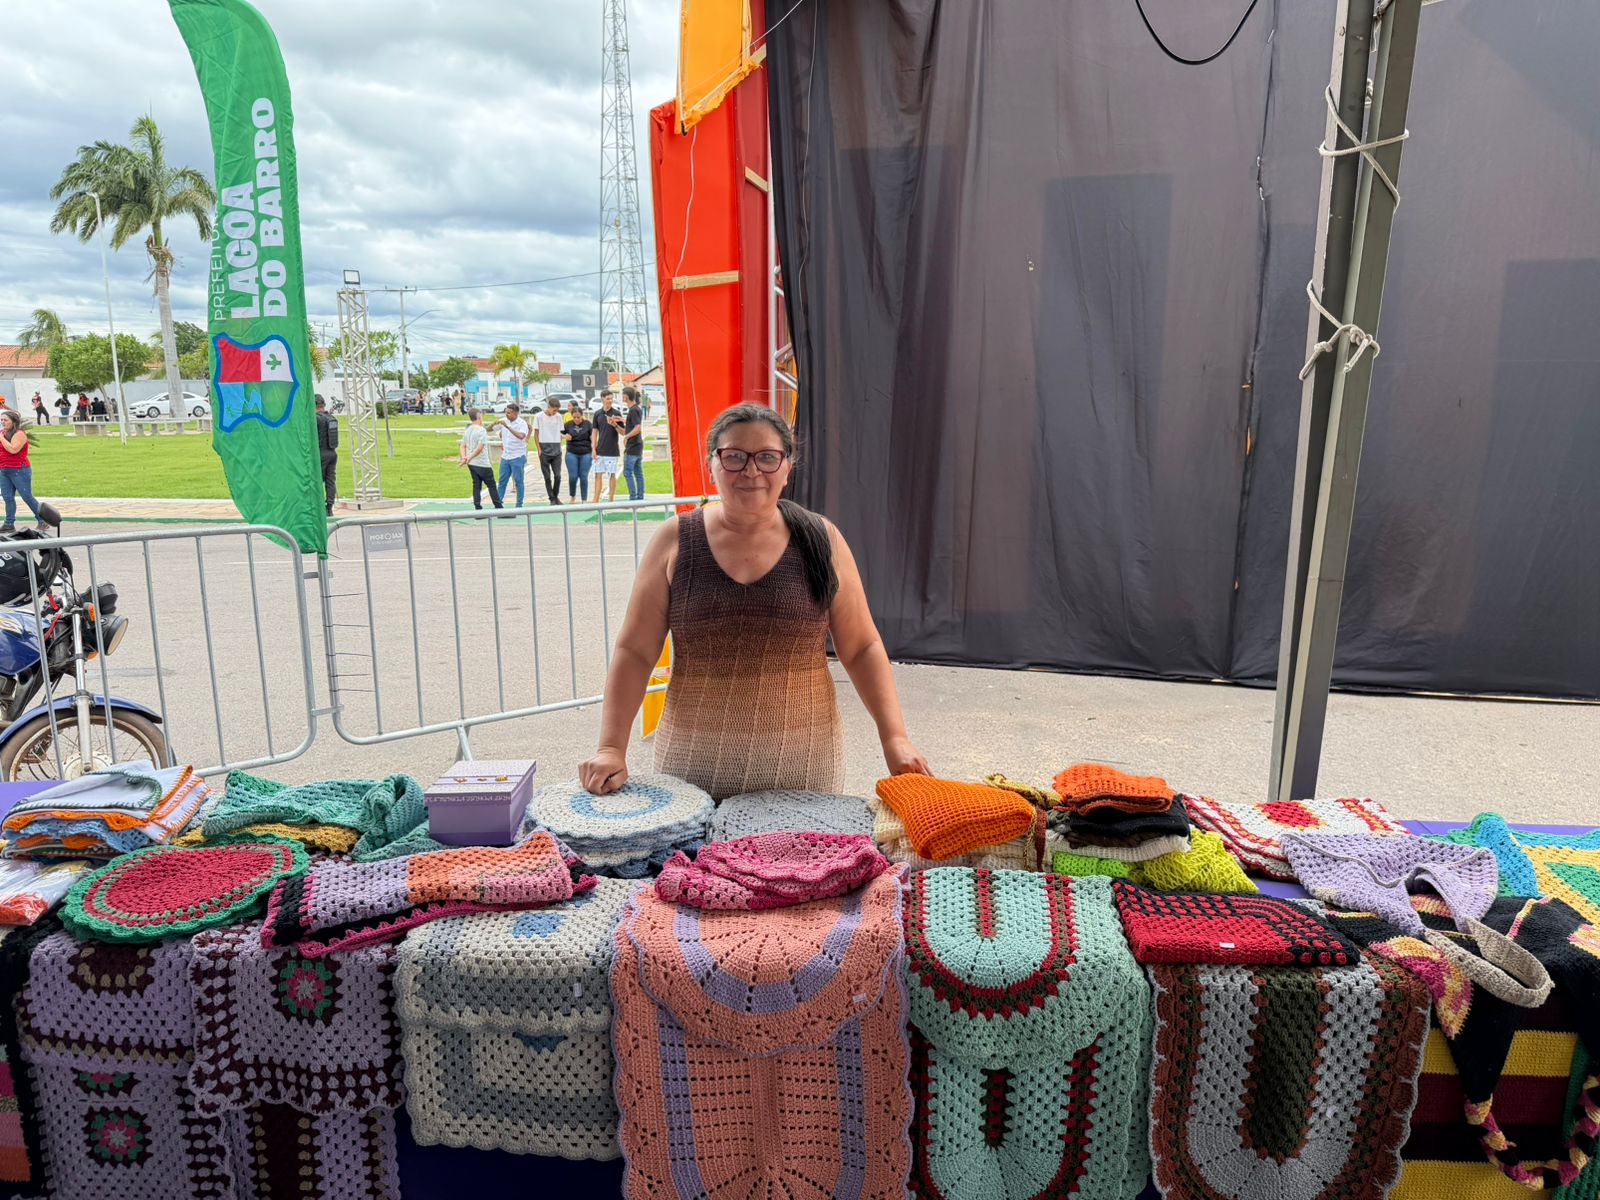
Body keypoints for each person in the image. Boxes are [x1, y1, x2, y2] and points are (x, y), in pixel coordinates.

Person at [579, 403, 929, 799]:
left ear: (787, 466)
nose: (750, 471)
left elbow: (862, 646)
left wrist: (895, 737)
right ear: (711, 462)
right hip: (689, 771)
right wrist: (611, 748)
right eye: (734, 457)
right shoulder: (674, 540)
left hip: (805, 770)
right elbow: (636, 650)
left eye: (766, 457)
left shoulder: (822, 539)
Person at [0, 411, 47, 533]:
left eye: (5, 420)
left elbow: (13, 449)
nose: (2, 422)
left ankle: (42, 521)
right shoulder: (3, 433)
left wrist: (1, 437)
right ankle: (9, 523)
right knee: (7, 497)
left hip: (19, 470)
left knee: (27, 496)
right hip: (4, 470)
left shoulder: (19, 434)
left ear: (14, 421)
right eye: (1, 420)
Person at [458, 408, 502, 510]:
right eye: (481, 416)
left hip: (472, 463)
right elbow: (480, 447)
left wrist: (465, 457)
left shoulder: (468, 430)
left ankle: (478, 508)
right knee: (491, 485)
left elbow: (462, 446)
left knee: (476, 485)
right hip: (482, 463)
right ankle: (498, 507)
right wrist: (468, 457)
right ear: (478, 417)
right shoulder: (481, 430)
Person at [491, 403, 530, 506]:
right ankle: (498, 503)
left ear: (515, 413)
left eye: (508, 412)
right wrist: (493, 424)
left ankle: (519, 504)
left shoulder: (521, 423)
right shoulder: (504, 421)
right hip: (505, 456)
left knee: (518, 481)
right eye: (506, 412)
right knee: (502, 480)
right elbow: (488, 429)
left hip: (517, 456)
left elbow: (521, 436)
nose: (506, 414)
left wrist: (507, 427)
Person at [591, 390, 624, 503]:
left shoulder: (616, 413)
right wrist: (593, 449)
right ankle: (595, 500)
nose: (610, 401)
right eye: (608, 398)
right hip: (599, 450)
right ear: (602, 399)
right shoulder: (597, 414)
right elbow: (594, 432)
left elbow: (623, 432)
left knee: (612, 475)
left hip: (612, 451)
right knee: (598, 475)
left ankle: (611, 499)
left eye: (611, 398)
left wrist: (615, 425)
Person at [533, 397, 565, 505]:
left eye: (557, 410)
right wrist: (539, 449)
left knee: (558, 476)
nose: (555, 412)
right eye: (554, 410)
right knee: (547, 476)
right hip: (544, 448)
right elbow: (536, 434)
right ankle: (551, 498)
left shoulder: (559, 417)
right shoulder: (538, 417)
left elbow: (560, 432)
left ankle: (555, 497)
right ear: (549, 407)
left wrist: (560, 444)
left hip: (556, 449)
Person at [564, 402, 594, 502]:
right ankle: (572, 496)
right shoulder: (568, 425)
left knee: (583, 476)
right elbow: (558, 432)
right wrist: (564, 436)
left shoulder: (588, 424)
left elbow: (593, 437)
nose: (576, 419)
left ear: (582, 416)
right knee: (573, 476)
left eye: (578, 417)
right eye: (574, 417)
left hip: (586, 452)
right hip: (572, 452)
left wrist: (594, 448)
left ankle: (584, 499)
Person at [621, 386, 645, 501]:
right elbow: (633, 423)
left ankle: (633, 498)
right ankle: (640, 497)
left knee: (628, 472)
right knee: (638, 473)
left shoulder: (634, 410)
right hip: (638, 445)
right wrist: (621, 421)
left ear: (626, 396)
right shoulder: (636, 409)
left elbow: (638, 427)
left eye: (623, 395)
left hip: (633, 445)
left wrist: (626, 436)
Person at [315, 395, 338, 515]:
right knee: (330, 482)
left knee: (316, 480)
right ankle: (329, 507)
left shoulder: (316, 419)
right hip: (332, 453)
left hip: (320, 454)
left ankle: (318, 506)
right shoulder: (332, 418)